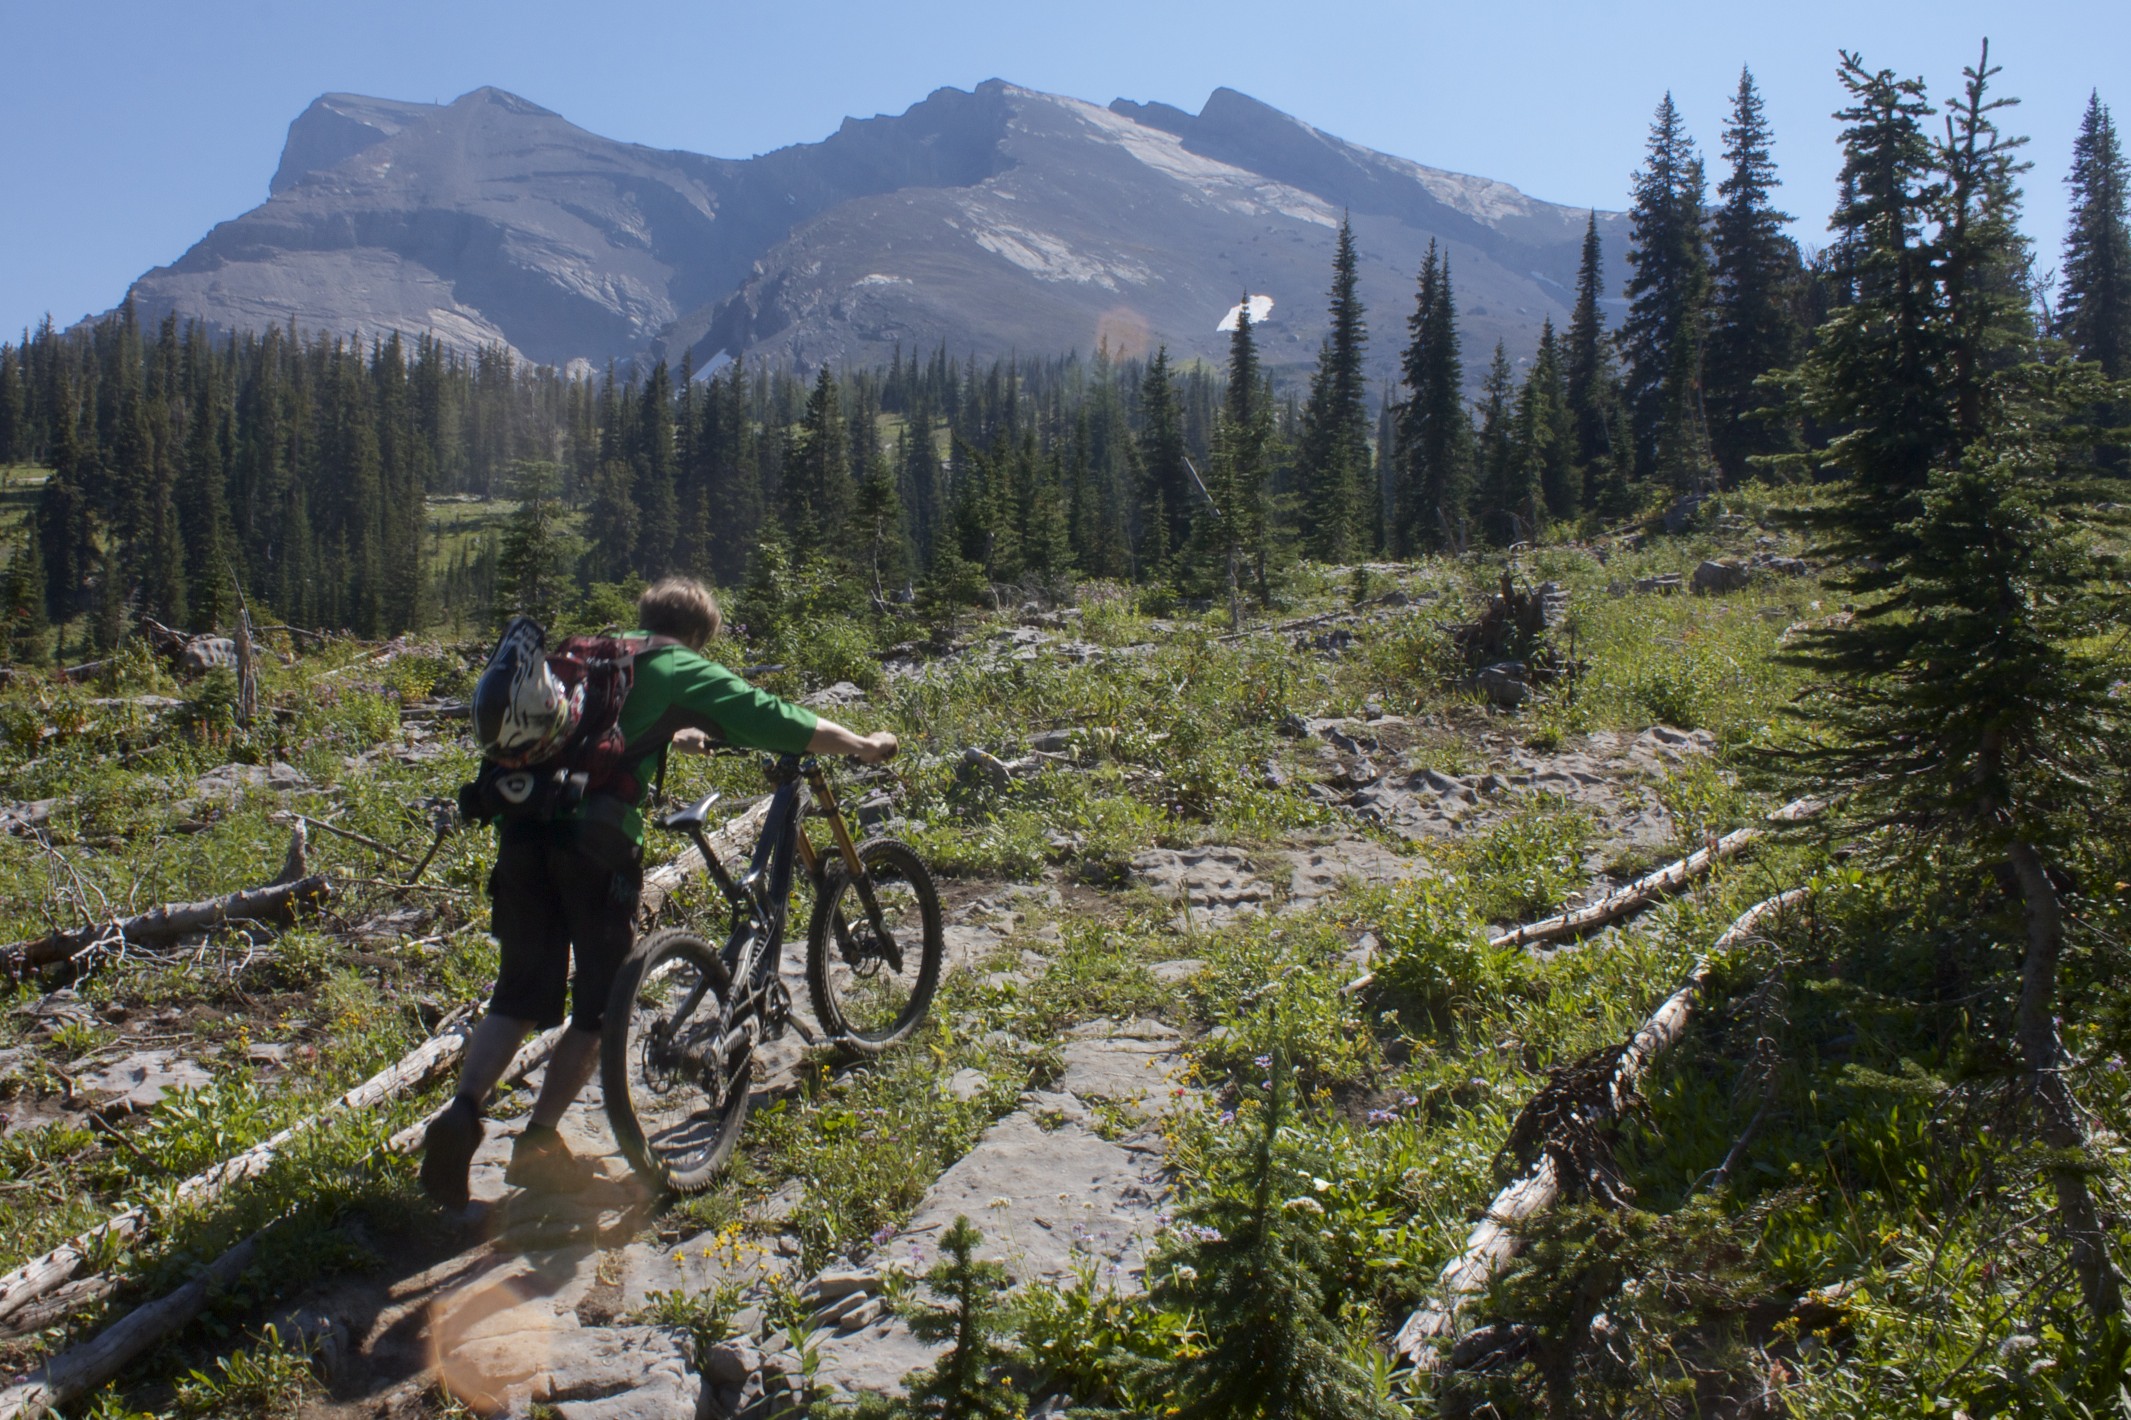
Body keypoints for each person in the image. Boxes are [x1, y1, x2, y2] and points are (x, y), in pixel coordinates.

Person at [420, 576, 897, 1209]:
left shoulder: (593, 654)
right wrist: (862, 744)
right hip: (597, 846)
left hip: (523, 832)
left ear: (646, 616)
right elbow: (775, 718)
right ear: (699, 635)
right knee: (600, 1005)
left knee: (516, 995)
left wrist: (680, 734)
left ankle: (461, 1113)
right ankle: (538, 1143)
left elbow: (605, 727)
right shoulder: (679, 666)